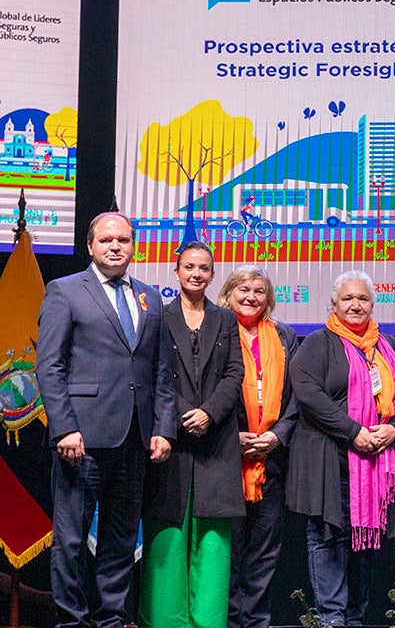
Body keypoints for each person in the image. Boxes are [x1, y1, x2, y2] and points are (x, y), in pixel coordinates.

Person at [36, 212, 175, 628]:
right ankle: (72, 621)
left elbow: (160, 372)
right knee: (72, 541)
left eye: (124, 240)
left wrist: (164, 428)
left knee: (118, 539)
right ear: (91, 246)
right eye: (107, 240)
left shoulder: (151, 298)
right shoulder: (64, 291)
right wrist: (63, 427)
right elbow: (50, 366)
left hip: (135, 439)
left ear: (134, 246)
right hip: (81, 439)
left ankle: (110, 619)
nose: (116, 247)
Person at [287, 270, 395, 624]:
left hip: (376, 464)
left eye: (362, 298)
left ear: (373, 304)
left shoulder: (389, 347)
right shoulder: (318, 343)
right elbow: (308, 393)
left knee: (366, 545)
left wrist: (392, 429)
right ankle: (332, 619)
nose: (355, 305)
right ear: (333, 304)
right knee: (329, 539)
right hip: (328, 459)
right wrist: (353, 431)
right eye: (348, 299)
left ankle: (355, 618)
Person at [139, 241, 244, 627]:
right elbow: (153, 375)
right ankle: (166, 620)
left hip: (216, 441)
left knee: (214, 542)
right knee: (168, 535)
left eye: (203, 268)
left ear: (212, 274)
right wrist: (185, 414)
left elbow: (235, 374)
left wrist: (210, 413)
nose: (196, 273)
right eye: (189, 267)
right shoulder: (158, 317)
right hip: (170, 438)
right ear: (176, 271)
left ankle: (208, 621)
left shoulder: (226, 319)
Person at [218, 265, 301, 628]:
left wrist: (277, 435)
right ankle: (230, 620)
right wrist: (230, 437)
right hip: (225, 458)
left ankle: (255, 621)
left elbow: (298, 396)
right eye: (243, 290)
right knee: (229, 550)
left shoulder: (284, 336)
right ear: (228, 294)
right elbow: (206, 391)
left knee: (265, 551)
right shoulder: (216, 331)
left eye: (259, 291)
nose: (251, 297)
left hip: (272, 458)